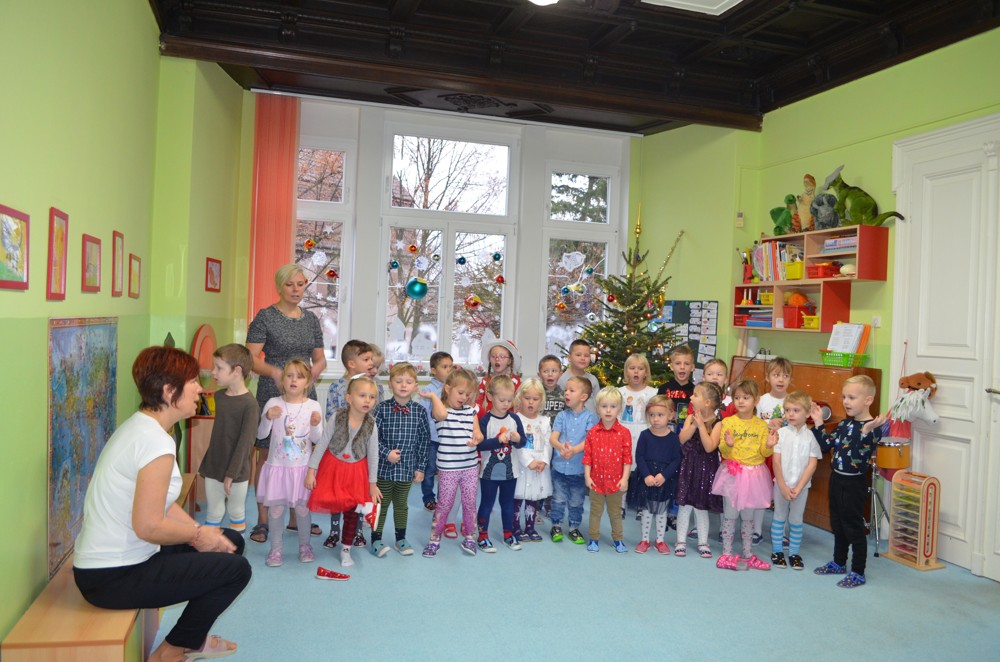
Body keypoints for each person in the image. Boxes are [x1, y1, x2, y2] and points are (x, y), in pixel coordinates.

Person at [73, 346, 250, 662]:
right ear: (170, 392)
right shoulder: (154, 443)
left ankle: (192, 637)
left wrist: (201, 533)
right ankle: (171, 652)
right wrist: (198, 535)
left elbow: (163, 504)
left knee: (230, 542)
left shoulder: (144, 428)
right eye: (193, 382)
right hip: (111, 575)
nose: (200, 388)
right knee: (236, 570)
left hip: (122, 560)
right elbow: (149, 526)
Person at [246, 263, 327, 544]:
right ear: (279, 287)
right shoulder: (265, 317)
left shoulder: (311, 319)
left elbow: (320, 358)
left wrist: (312, 374)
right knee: (268, 454)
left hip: (304, 394)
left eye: (300, 284)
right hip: (273, 391)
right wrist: (275, 373)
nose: (296, 290)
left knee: (302, 453)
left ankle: (297, 517)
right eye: (289, 284)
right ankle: (263, 519)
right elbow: (250, 358)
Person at [810, 375, 885, 588]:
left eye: (852, 397)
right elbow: (826, 445)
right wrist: (818, 422)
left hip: (854, 483)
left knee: (853, 526)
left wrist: (865, 431)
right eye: (844, 397)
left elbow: (860, 453)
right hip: (836, 479)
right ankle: (839, 562)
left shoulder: (874, 428)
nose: (846, 401)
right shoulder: (844, 423)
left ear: (868, 400)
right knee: (837, 523)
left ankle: (858, 571)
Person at [307, 375, 381, 569]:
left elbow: (373, 455)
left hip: (357, 471)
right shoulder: (337, 417)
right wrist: (311, 470)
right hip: (334, 467)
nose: (367, 400)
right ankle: (334, 533)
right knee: (335, 503)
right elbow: (322, 443)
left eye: (372, 397)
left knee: (352, 511)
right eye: (362, 395)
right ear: (349, 398)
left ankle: (346, 549)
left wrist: (372, 484)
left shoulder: (372, 424)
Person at [256, 360, 323, 567]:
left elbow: (318, 439)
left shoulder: (313, 406)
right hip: (278, 468)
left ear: (308, 382)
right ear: (282, 379)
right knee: (276, 510)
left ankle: (305, 546)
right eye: (290, 375)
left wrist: (315, 424)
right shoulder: (273, 402)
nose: (294, 380)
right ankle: (276, 549)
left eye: (300, 377)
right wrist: (268, 417)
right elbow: (261, 434)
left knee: (302, 510)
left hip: (301, 470)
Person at [710, 379, 777, 571]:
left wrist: (769, 445)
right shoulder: (728, 422)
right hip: (733, 474)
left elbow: (764, 453)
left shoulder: (762, 426)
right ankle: (726, 553)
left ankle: (748, 554)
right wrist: (728, 445)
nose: (740, 401)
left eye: (746, 397)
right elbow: (724, 451)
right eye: (737, 397)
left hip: (754, 475)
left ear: (756, 400)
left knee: (748, 516)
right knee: (730, 515)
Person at [420, 368, 484, 557]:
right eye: (460, 393)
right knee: (444, 504)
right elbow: (441, 415)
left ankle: (470, 538)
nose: (464, 397)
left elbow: (478, 432)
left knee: (470, 503)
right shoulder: (441, 410)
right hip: (449, 468)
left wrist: (477, 438)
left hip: (470, 466)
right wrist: (434, 396)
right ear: (448, 389)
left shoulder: (471, 411)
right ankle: (434, 540)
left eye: (468, 394)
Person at [371, 362, 430, 557]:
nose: (403, 385)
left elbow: (423, 441)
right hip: (384, 468)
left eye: (408, 382)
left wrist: (420, 468)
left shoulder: (420, 412)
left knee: (401, 505)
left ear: (415, 386)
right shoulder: (381, 409)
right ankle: (376, 539)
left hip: (406, 469)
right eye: (398, 381)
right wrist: (386, 453)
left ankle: (400, 539)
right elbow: (371, 438)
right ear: (390, 384)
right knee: (381, 505)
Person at [199, 344, 259, 534]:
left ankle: (236, 547)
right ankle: (210, 547)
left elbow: (245, 444)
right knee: (214, 511)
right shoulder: (218, 397)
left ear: (237, 371)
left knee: (236, 510)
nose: (213, 372)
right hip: (214, 466)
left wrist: (231, 474)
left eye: (219, 367)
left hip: (237, 471)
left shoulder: (250, 405)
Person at [322, 339, 374, 549]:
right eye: (366, 359)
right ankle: (335, 532)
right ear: (352, 364)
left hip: (360, 452)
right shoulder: (337, 387)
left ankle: (357, 532)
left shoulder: (372, 385)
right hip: (339, 451)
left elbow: (373, 418)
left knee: (357, 495)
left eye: (371, 359)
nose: (371, 363)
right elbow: (331, 416)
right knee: (338, 494)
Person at [770, 391, 822, 570]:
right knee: (779, 516)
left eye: (796, 410)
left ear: (807, 413)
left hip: (801, 487)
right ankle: (777, 551)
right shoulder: (781, 433)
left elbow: (812, 464)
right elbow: (776, 462)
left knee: (796, 519)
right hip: (781, 485)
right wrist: (783, 486)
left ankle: (794, 553)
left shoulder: (811, 437)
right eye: (787, 410)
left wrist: (799, 487)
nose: (790, 414)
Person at [476, 375, 527, 551]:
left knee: (508, 504)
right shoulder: (485, 420)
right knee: (487, 503)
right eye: (502, 400)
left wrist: (518, 439)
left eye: (509, 400)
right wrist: (497, 440)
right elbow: (480, 445)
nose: (506, 404)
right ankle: (482, 536)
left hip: (510, 472)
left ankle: (508, 534)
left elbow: (523, 442)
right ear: (490, 397)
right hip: (488, 473)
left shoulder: (514, 419)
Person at [675, 382, 725, 558]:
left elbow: (710, 447)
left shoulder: (717, 423)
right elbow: (682, 439)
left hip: (706, 469)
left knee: (701, 507)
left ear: (707, 403)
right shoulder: (690, 417)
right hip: (689, 466)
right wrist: (694, 425)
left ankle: (703, 542)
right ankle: (680, 541)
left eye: (695, 395)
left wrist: (702, 426)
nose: (691, 397)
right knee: (685, 506)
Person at [548, 376, 598, 543]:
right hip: (559, 467)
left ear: (583, 397)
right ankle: (556, 525)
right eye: (566, 390)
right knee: (558, 498)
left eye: (571, 390)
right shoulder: (561, 416)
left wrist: (574, 450)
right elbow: (553, 438)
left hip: (578, 469)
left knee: (576, 500)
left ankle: (574, 527)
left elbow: (590, 441)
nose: (566, 393)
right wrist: (561, 447)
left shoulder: (590, 418)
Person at [629, 396, 681, 554]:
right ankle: (644, 539)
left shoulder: (673, 438)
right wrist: (646, 475)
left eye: (660, 415)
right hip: (647, 478)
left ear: (670, 416)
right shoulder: (645, 435)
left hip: (664, 480)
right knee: (646, 511)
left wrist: (664, 475)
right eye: (652, 415)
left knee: (661, 512)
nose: (655, 419)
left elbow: (676, 460)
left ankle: (660, 540)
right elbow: (639, 457)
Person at [583, 387, 632, 553]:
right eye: (604, 406)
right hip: (596, 481)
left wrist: (624, 478)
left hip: (616, 482)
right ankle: (593, 539)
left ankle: (618, 540)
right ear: (598, 408)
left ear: (620, 409)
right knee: (595, 512)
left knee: (615, 513)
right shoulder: (592, 432)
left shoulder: (624, 433)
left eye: (613, 406)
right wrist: (587, 476)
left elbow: (627, 458)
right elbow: (588, 457)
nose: (608, 410)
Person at [752, 357, 793, 544]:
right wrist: (769, 423)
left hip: (785, 455)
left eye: (785, 376)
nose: (781, 379)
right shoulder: (761, 401)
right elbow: (753, 423)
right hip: (764, 453)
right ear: (767, 377)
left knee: (782, 493)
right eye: (776, 375)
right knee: (760, 493)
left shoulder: (793, 401)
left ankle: (781, 532)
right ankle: (756, 530)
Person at [512, 378, 552, 543]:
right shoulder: (515, 419)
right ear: (520, 398)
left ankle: (530, 527)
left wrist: (544, 461)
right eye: (527, 398)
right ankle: (515, 526)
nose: (530, 402)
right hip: (521, 465)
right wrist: (529, 462)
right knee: (517, 496)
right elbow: (517, 445)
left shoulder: (544, 421)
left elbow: (548, 443)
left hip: (539, 465)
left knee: (533, 496)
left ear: (541, 400)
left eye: (535, 399)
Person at [419, 351, 453, 511]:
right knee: (430, 469)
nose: (449, 370)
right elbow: (423, 415)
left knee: (445, 471)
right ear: (433, 370)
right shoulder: (428, 390)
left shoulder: (453, 390)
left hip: (448, 438)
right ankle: (428, 497)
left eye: (451, 366)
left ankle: (443, 499)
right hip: (432, 439)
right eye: (444, 367)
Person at [537, 354, 565, 521]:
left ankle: (550, 505)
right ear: (539, 374)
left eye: (554, 371)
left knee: (554, 474)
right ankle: (536, 506)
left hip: (556, 441)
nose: (550, 374)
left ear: (560, 374)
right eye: (546, 371)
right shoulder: (536, 393)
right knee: (540, 471)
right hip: (539, 441)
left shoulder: (564, 394)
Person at [475, 339, 522, 417]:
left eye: (502, 357)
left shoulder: (514, 381)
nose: (497, 359)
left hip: (508, 419)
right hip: (488, 420)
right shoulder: (485, 381)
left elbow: (518, 402)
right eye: (493, 356)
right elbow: (478, 403)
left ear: (509, 361)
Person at [557, 339, 601, 413]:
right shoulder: (563, 379)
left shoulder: (593, 379)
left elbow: (599, 403)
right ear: (569, 357)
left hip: (591, 419)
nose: (583, 358)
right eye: (578, 355)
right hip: (571, 419)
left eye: (586, 355)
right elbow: (560, 404)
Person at [657, 344, 695, 427]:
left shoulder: (696, 391)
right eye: (678, 363)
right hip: (666, 430)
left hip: (688, 431)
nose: (682, 367)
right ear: (671, 366)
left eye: (686, 364)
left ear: (692, 367)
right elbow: (657, 412)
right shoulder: (663, 389)